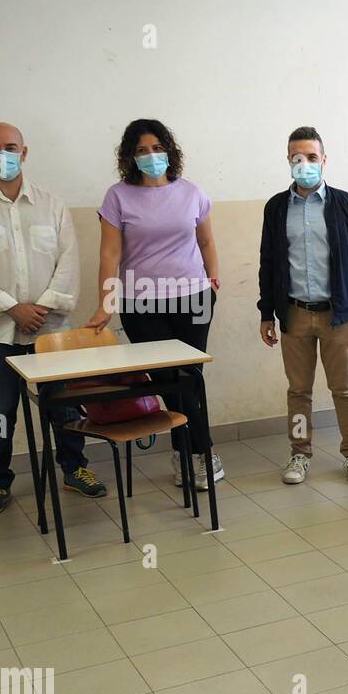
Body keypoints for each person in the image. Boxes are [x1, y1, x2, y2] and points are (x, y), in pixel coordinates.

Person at [0, 122, 107, 514]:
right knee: (1, 412)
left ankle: (74, 468)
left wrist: (44, 307)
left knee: (66, 406)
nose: (1, 153)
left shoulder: (51, 205)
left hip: (51, 332)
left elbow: (69, 260)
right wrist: (11, 307)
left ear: (24, 152)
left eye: (9, 146)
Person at [88, 118, 222, 491]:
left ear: (170, 150)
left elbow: (207, 242)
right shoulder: (118, 196)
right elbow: (109, 253)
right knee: (167, 382)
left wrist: (212, 280)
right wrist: (106, 304)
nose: (152, 156)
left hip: (193, 298)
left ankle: (191, 457)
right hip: (142, 303)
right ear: (131, 157)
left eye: (158, 148)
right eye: (143, 150)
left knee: (190, 378)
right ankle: (200, 452)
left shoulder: (192, 192)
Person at [258, 126, 348, 485]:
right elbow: (268, 261)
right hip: (293, 314)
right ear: (288, 161)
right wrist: (266, 312)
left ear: (324, 160)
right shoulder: (277, 208)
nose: (304, 163)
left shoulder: (346, 204)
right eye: (297, 157)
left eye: (311, 157)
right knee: (298, 391)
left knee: (344, 388)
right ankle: (299, 454)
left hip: (336, 313)